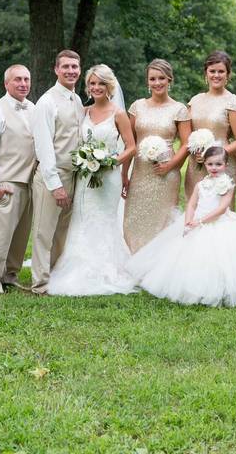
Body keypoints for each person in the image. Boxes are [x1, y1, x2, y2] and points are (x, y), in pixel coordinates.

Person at [126, 146, 236, 307]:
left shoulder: (227, 184)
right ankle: (192, 286)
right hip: (197, 221)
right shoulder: (200, 184)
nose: (214, 168)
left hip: (219, 223)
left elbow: (221, 209)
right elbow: (191, 204)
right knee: (188, 256)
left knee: (221, 258)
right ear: (205, 164)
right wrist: (188, 221)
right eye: (210, 164)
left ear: (225, 164)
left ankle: (223, 288)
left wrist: (200, 221)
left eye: (218, 164)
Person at [48, 64, 138, 296]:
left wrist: (111, 162)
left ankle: (107, 269)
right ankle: (77, 266)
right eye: (92, 83)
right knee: (82, 219)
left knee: (103, 220)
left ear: (110, 86)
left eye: (101, 83)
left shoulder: (119, 114)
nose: (96, 87)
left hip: (108, 178)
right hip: (85, 177)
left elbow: (131, 147)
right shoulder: (84, 111)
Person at [0, 65, 36, 294]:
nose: (23, 84)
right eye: (18, 80)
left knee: (20, 237)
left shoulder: (33, 108)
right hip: (6, 183)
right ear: (6, 84)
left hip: (28, 182)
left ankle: (9, 276)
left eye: (26, 79)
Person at [122, 59, 191, 252]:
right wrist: (124, 175)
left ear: (170, 80)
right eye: (153, 78)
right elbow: (130, 144)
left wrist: (170, 166)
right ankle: (135, 260)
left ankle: (159, 264)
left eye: (162, 78)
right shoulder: (137, 107)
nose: (157, 82)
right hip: (140, 173)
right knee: (134, 218)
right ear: (147, 81)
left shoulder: (179, 109)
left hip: (166, 174)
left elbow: (187, 143)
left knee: (163, 218)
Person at [30, 50, 84, 294]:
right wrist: (55, 184)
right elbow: (44, 147)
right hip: (53, 176)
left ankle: (56, 277)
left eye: (75, 67)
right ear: (56, 70)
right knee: (44, 231)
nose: (71, 71)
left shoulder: (77, 99)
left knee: (63, 231)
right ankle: (40, 283)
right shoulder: (47, 101)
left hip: (74, 175)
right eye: (66, 67)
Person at [184, 51, 236, 198]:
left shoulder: (233, 101)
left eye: (221, 71)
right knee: (195, 211)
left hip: (223, 165)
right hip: (196, 165)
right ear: (206, 73)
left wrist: (216, 154)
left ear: (228, 74)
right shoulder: (195, 100)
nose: (216, 75)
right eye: (212, 71)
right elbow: (186, 135)